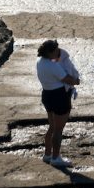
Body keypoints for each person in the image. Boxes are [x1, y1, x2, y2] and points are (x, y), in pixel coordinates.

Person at [36, 39, 80, 168]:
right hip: (59, 97)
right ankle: (56, 158)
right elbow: (70, 80)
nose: (58, 52)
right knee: (58, 130)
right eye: (56, 50)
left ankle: (47, 154)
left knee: (52, 127)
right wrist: (77, 81)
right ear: (50, 52)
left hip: (47, 95)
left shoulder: (40, 62)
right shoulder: (53, 66)